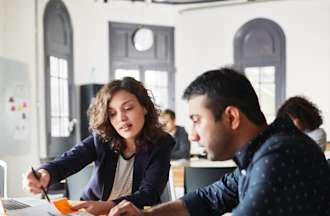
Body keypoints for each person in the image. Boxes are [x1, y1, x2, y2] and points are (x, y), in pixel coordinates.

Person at [108, 67, 330, 216]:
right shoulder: (263, 151)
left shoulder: (280, 155)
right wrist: (145, 215)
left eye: (197, 121)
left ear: (231, 117)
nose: (193, 135)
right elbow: (207, 198)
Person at [22, 77, 174, 215]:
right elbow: (71, 158)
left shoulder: (161, 143)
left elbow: (149, 194)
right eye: (112, 113)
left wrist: (106, 206)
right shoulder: (103, 139)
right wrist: (45, 173)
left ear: (145, 107)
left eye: (128, 108)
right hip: (90, 212)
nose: (121, 118)